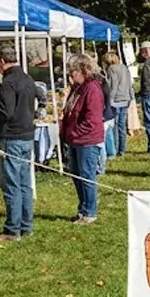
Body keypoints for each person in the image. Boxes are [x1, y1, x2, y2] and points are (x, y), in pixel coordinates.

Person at [0, 45, 37, 242]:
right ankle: (26, 225)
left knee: (11, 183)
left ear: (1, 61)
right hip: (26, 135)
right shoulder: (28, 79)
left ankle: (12, 229)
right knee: (24, 183)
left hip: (12, 136)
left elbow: (5, 113)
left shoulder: (8, 83)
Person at [61, 53, 105, 225]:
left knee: (86, 175)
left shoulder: (92, 88)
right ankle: (83, 208)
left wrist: (75, 132)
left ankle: (90, 211)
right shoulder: (77, 88)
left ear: (83, 70)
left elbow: (92, 118)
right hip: (74, 139)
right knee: (76, 175)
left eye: (73, 72)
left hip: (87, 140)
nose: (71, 75)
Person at [102, 51, 134, 156]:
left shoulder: (111, 69)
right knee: (122, 125)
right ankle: (122, 149)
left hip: (116, 100)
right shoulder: (124, 68)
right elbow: (129, 83)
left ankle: (114, 148)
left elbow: (113, 85)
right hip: (125, 98)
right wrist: (130, 97)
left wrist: (110, 100)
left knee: (114, 125)